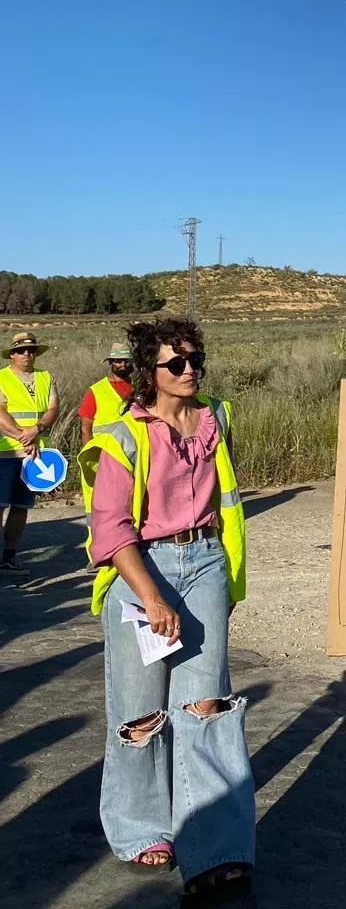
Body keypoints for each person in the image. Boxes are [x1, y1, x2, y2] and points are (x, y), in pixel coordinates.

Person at [78, 316, 253, 893]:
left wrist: (223, 580)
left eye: (195, 360)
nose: (189, 370)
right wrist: (152, 597)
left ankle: (214, 846)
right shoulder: (124, 435)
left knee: (206, 707)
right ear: (148, 372)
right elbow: (109, 529)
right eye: (175, 363)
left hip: (202, 560)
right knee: (140, 714)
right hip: (140, 570)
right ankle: (142, 828)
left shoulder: (215, 418)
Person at [0, 331, 59, 573]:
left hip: (34, 455)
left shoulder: (46, 378)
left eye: (31, 350)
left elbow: (53, 408)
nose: (26, 354)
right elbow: (0, 414)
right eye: (21, 350)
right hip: (5, 453)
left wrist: (37, 429)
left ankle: (9, 556)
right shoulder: (2, 378)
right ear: (11, 354)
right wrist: (22, 437)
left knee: (21, 506)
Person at [78, 339, 136, 445]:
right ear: (110, 362)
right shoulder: (95, 391)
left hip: (135, 452)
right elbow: (86, 429)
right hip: (104, 452)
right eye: (118, 361)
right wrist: (89, 458)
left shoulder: (138, 387)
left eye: (127, 361)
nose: (123, 364)